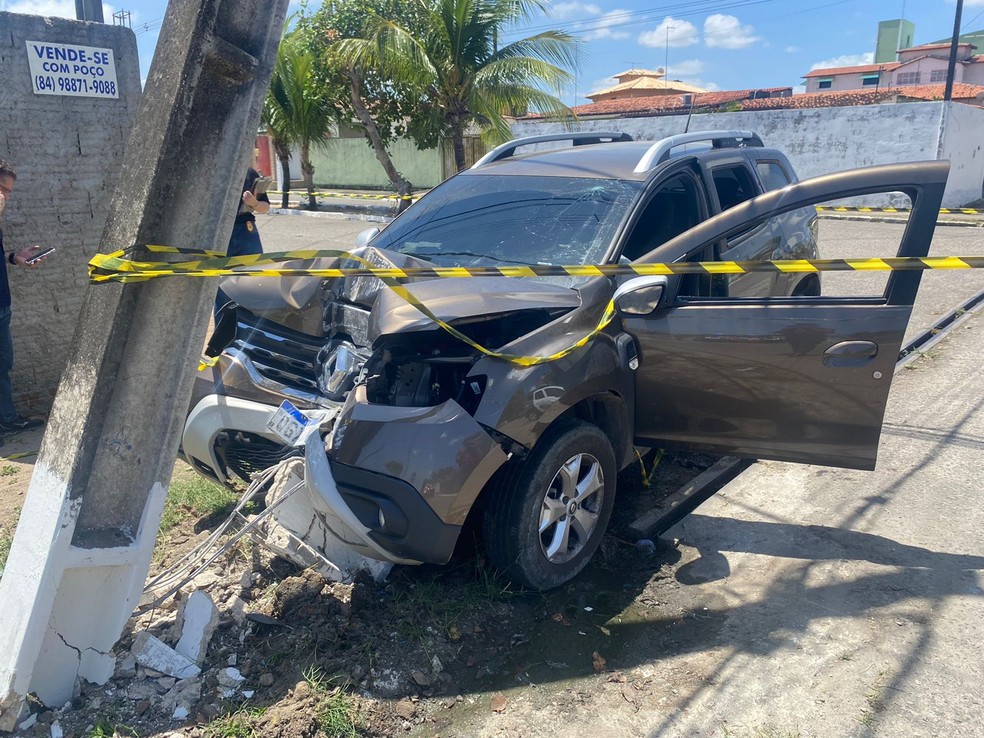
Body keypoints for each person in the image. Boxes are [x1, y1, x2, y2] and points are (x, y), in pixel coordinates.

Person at [0, 159, 48, 436]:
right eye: (2, 189)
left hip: (2, 305)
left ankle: (7, 418)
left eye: (9, 192)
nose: (5, 196)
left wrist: (13, 257)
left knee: (2, 368)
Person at [215, 167, 271, 315]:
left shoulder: (250, 173)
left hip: (246, 231)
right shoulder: (214, 167)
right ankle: (223, 331)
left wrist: (254, 203)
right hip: (219, 232)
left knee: (254, 282)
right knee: (222, 287)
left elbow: (265, 207)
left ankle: (250, 328)